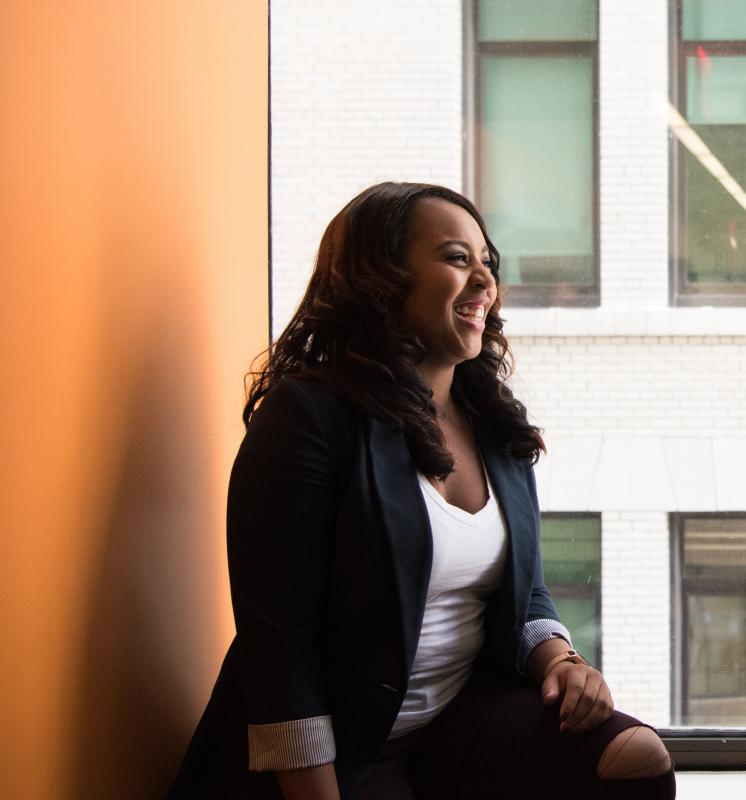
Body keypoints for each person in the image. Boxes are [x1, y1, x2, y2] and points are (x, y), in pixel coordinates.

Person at [170, 182, 674, 799]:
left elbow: (524, 591)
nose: (485, 282)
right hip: (336, 751)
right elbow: (278, 644)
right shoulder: (307, 415)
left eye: (488, 262)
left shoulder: (492, 422)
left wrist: (562, 661)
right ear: (379, 278)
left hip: (454, 725)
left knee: (635, 759)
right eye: (457, 259)